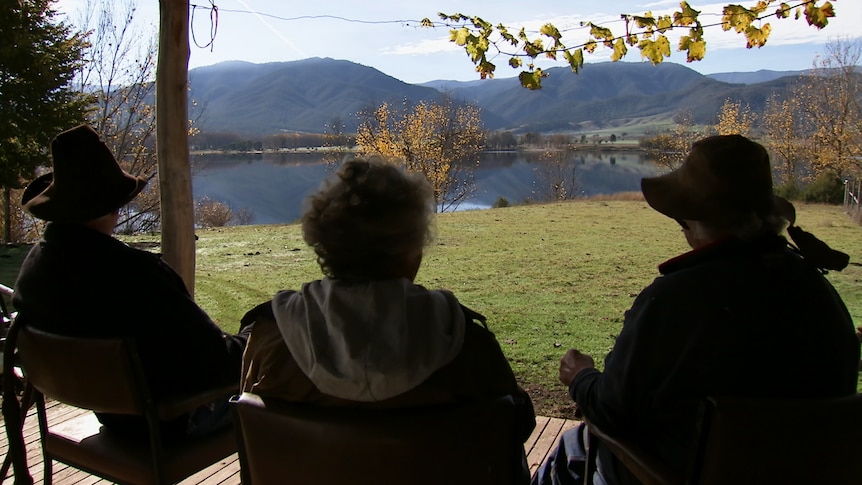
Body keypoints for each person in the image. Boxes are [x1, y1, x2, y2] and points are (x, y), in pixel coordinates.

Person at [534, 134, 860, 485]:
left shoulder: (675, 299)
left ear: (692, 222)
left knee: (573, 447)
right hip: (811, 472)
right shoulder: (817, 289)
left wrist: (581, 376)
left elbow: (612, 410)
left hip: (684, 473)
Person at [240, 157, 536, 482]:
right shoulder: (466, 340)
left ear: (324, 248)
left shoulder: (271, 338)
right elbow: (516, 425)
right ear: (412, 255)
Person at [11, 124, 251, 441]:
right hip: (168, 422)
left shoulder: (35, 269)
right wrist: (255, 337)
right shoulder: (134, 274)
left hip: (113, 416)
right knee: (278, 373)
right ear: (113, 207)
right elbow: (216, 361)